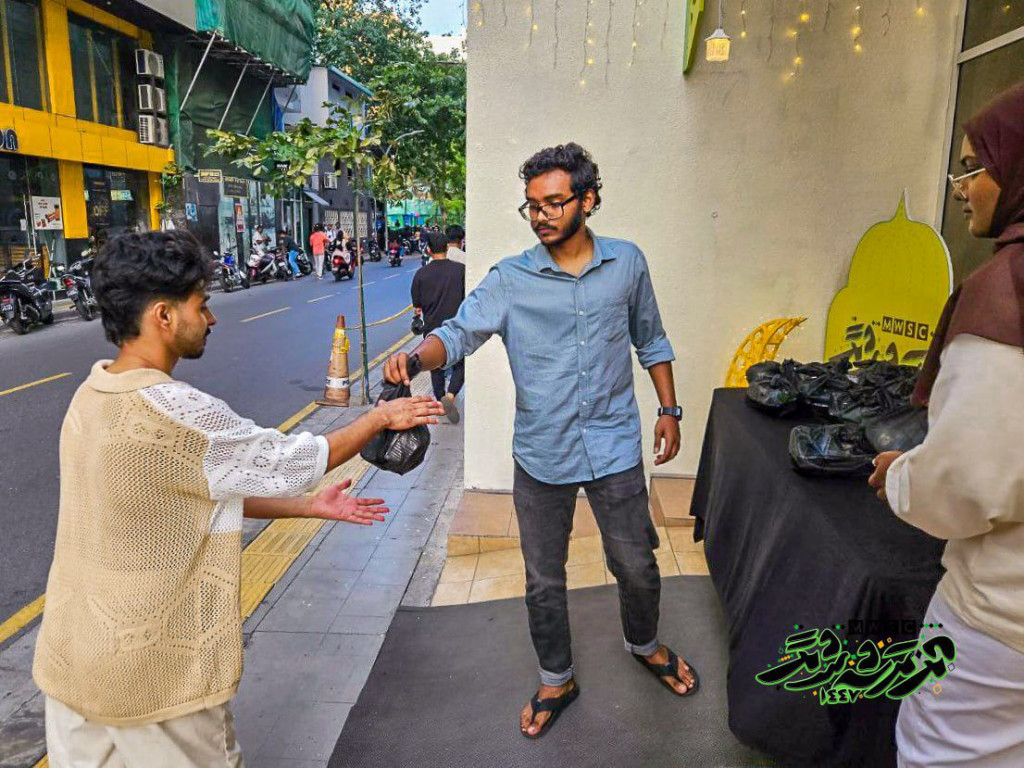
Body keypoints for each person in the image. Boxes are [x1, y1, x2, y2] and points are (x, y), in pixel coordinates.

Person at [33, 231, 443, 767]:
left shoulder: (91, 394)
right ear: (162, 315)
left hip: (73, 662)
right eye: (201, 305)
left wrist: (308, 506)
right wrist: (378, 418)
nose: (211, 318)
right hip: (155, 677)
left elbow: (184, 494)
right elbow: (292, 460)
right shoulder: (176, 412)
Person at [383, 143, 695, 739]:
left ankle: (645, 643)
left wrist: (670, 410)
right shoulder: (511, 279)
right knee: (544, 579)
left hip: (614, 448)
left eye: (554, 202)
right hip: (542, 453)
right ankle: (557, 678)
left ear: (588, 199)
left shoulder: (627, 264)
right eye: (532, 205)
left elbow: (651, 339)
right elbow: (458, 333)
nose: (541, 215)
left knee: (636, 564)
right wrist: (416, 358)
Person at [869, 83, 1024, 767]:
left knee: (937, 754)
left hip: (999, 626)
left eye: (972, 166)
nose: (960, 188)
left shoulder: (1006, 294)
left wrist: (900, 475)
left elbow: (963, 485)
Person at [412, 231, 466, 423]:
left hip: (432, 329)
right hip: (456, 326)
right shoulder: (461, 271)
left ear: (428, 249)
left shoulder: (421, 274)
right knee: (460, 363)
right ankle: (451, 395)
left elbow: (417, 306)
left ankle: (440, 398)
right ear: (447, 248)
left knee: (436, 367)